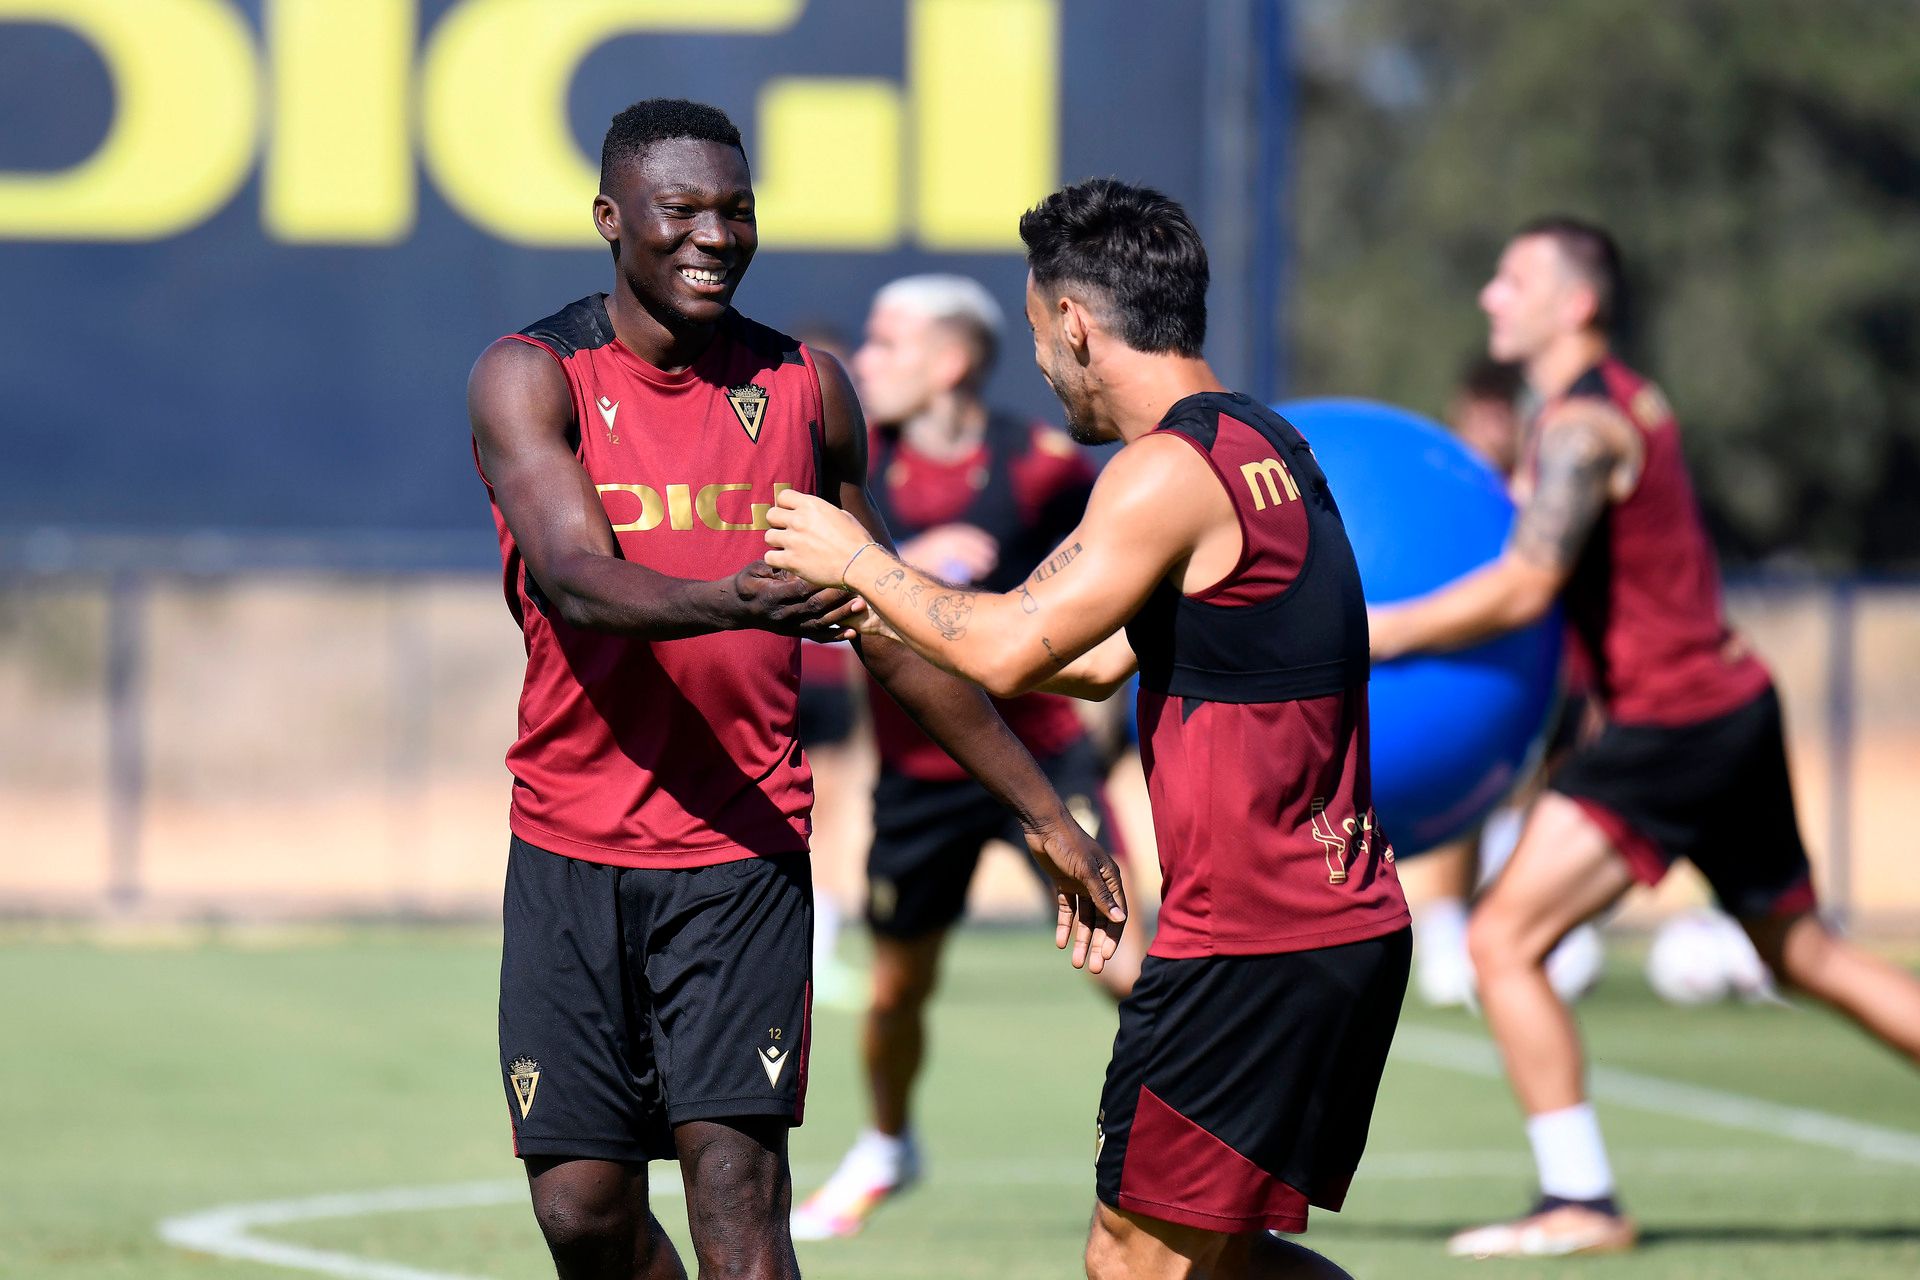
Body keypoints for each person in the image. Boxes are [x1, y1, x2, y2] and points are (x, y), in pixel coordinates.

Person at [468, 99, 1124, 1280]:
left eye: (737, 210)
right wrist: (737, 598)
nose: (715, 235)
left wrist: (1043, 811)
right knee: (581, 1211)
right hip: (567, 848)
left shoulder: (805, 387)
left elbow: (891, 625)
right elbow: (574, 579)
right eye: (683, 211)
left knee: (739, 1202)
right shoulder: (531, 376)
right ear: (612, 220)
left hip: (743, 856)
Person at [766, 178, 1410, 1280]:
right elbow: (1102, 660)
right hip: (1325, 920)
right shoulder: (1268, 442)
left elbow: (1016, 646)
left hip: (1253, 935)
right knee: (1221, 1261)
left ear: (1074, 321)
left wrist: (855, 560)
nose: (1043, 368)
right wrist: (893, 610)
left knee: (1131, 1261)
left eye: (1037, 335)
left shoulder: (1166, 470)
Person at [1369, 216, 1920, 1258]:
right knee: (1801, 954)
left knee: (1501, 939)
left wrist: (1380, 629)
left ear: (1576, 302)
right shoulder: (1593, 411)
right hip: (1726, 699)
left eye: (1512, 277)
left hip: (1676, 720)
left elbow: (1529, 583)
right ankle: (1578, 1191)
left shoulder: (1586, 427)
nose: (1491, 294)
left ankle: (1579, 1195)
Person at [791, 274, 1146, 1241]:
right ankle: (888, 1145)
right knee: (899, 988)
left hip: (1041, 764)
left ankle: (1194, 1165)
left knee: (1123, 960)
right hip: (917, 780)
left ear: (950, 361)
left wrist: (1110, 718)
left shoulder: (1042, 467)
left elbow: (1130, 571)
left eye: (886, 342)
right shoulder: (863, 483)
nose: (863, 363)